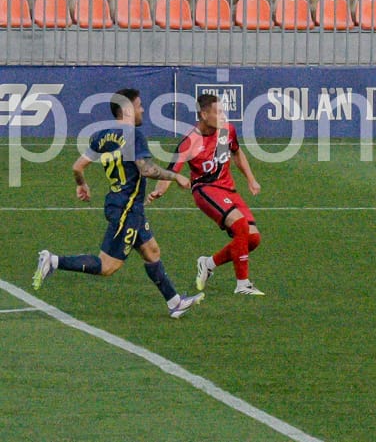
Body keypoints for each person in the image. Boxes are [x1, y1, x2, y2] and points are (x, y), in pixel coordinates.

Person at [32, 88, 204, 319]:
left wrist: (81, 184)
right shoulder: (133, 135)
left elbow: (77, 166)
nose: (143, 109)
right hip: (126, 208)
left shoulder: (101, 135)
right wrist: (176, 176)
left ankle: (175, 302)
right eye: (139, 105)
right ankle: (53, 261)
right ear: (127, 109)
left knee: (152, 251)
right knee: (107, 266)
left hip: (125, 204)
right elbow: (146, 169)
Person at [150, 93, 265, 296]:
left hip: (228, 188)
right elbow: (171, 171)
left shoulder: (227, 130)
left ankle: (208, 263)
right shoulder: (190, 141)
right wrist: (160, 190)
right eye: (218, 112)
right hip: (205, 189)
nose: (223, 116)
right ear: (204, 114)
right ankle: (243, 284)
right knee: (240, 226)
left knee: (253, 239)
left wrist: (250, 178)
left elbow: (236, 152)